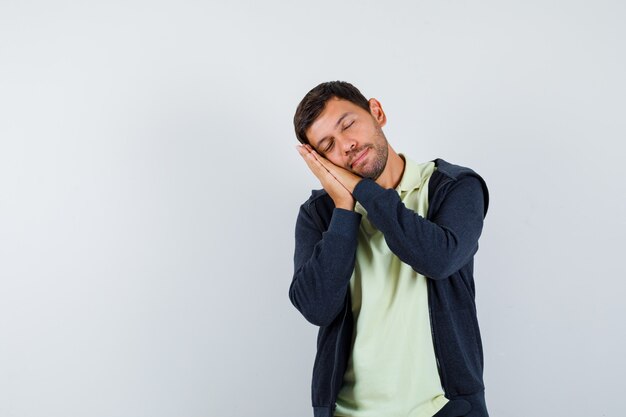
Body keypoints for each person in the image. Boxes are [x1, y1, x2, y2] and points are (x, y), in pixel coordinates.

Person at [289, 81, 490, 417]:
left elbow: (438, 259)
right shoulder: (320, 214)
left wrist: (364, 192)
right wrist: (343, 207)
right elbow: (317, 308)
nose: (347, 145)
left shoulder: (453, 188)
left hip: (445, 409)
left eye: (348, 124)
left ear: (377, 112)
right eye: (328, 145)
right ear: (322, 161)